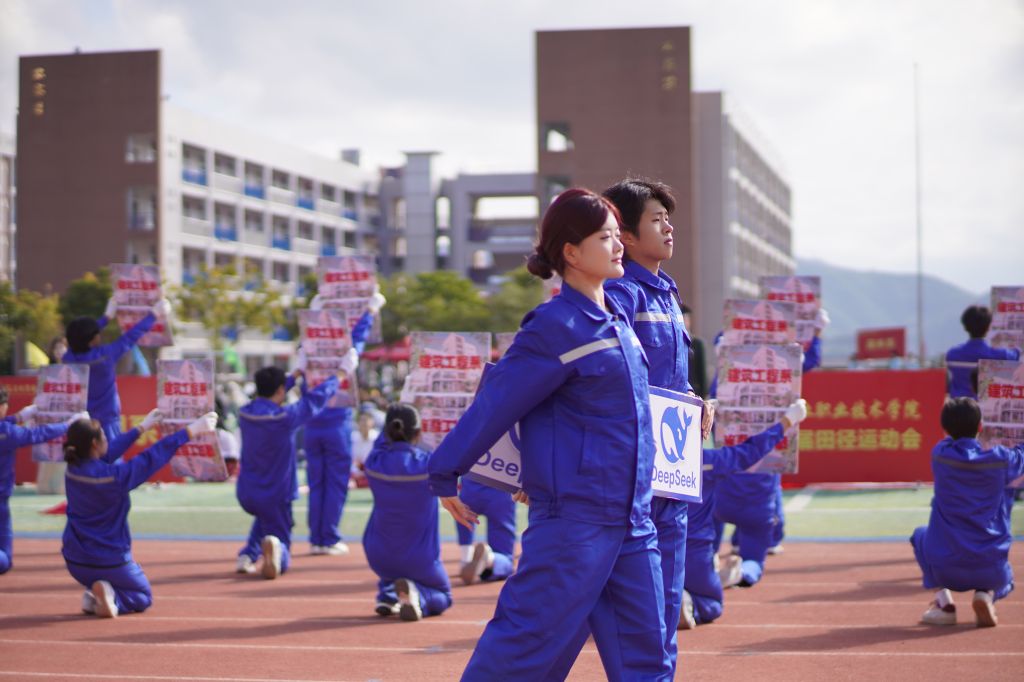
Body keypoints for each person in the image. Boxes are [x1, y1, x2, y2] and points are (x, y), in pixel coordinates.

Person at [428, 188, 672, 680]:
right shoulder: (554, 327)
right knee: (523, 651)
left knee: (648, 659)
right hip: (574, 523)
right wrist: (445, 471)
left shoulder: (619, 322)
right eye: (605, 237)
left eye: (617, 235)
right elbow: (498, 402)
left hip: (634, 520)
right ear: (571, 253)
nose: (618, 245)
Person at [587, 177, 712, 674]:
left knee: (665, 607)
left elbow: (666, 377)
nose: (668, 228)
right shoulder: (622, 293)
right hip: (632, 475)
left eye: (668, 218)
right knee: (633, 614)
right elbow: (611, 374)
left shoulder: (667, 294)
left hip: (673, 474)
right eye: (656, 220)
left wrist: (693, 399)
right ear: (625, 235)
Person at [63, 409, 212, 617]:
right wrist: (190, 431)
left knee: (110, 579)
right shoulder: (114, 477)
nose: (107, 441)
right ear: (95, 444)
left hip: (76, 562)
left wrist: (142, 428)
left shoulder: (72, 469)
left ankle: (94, 595)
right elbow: (152, 457)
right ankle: (112, 599)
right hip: (110, 560)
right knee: (142, 596)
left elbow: (108, 452)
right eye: (104, 437)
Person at [679, 400, 806, 628]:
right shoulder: (710, 461)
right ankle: (731, 579)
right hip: (697, 548)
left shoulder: (649, 459)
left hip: (660, 546)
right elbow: (751, 451)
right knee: (712, 604)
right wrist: (787, 421)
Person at [912, 397, 1023, 627]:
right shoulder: (1001, 458)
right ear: (981, 426)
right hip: (991, 568)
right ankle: (986, 594)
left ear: (945, 429)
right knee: (1003, 569)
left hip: (945, 568)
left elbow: (955, 440)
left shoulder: (940, 454)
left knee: (919, 534)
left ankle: (944, 605)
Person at [235, 366, 338, 579]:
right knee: (279, 534)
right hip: (276, 493)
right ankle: (278, 552)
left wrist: (293, 377)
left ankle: (248, 555)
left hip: (247, 491)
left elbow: (269, 394)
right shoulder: (284, 418)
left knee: (264, 518)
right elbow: (313, 401)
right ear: (281, 390)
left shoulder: (245, 412)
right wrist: (340, 375)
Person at [303, 290, 384, 556]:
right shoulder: (343, 351)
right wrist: (370, 310)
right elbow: (358, 337)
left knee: (317, 484)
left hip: (311, 423)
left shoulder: (307, 347)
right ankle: (327, 538)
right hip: (336, 423)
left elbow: (310, 333)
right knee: (335, 484)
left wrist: (315, 311)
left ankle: (316, 538)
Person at [363, 403, 452, 621]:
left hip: (378, 556)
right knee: (443, 595)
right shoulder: (430, 466)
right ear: (419, 433)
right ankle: (417, 597)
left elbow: (381, 442)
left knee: (391, 573)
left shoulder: (373, 462)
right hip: (419, 559)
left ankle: (388, 595)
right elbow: (453, 450)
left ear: (387, 432)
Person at [62, 296, 170, 442]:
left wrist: (106, 318)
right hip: (107, 422)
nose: (99, 335)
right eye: (97, 334)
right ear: (92, 340)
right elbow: (131, 336)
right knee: (112, 454)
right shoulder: (105, 356)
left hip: (80, 423)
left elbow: (78, 339)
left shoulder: (68, 358)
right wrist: (153, 315)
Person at [0, 389, 82, 574]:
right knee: (4, 561)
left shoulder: (6, 430)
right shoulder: (7, 433)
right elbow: (37, 434)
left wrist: (18, 417)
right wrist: (68, 425)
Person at [946, 305, 1021, 399]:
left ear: (965, 327)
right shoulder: (1002, 355)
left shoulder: (952, 355)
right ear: (988, 327)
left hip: (959, 405)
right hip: (986, 406)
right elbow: (1016, 354)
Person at [454, 475, 517, 586]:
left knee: (464, 517)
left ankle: (465, 558)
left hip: (470, 486)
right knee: (505, 559)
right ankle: (489, 559)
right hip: (501, 489)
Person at [349, 410, 378, 489]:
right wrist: (356, 472)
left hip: (372, 473)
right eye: (361, 420)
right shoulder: (353, 437)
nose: (364, 423)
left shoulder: (377, 438)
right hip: (356, 473)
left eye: (366, 420)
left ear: (372, 422)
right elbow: (353, 461)